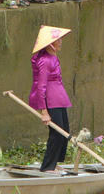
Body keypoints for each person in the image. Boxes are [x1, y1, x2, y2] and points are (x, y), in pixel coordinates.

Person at [30, 25, 73, 172]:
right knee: (57, 134)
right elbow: (41, 86)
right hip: (50, 100)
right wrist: (44, 111)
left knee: (64, 131)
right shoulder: (45, 61)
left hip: (58, 97)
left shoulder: (52, 57)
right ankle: (48, 166)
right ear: (50, 44)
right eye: (58, 40)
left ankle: (56, 162)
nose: (60, 42)